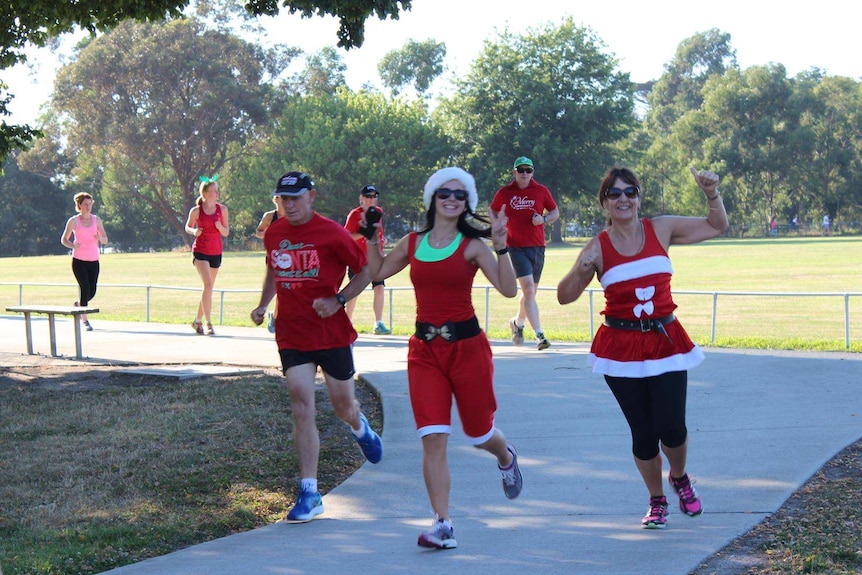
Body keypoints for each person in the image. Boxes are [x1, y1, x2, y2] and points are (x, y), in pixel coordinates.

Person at [557, 166, 729, 530]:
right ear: (604, 203)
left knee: (673, 427)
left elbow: (716, 225)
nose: (623, 199)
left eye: (630, 191)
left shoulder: (661, 228)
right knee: (644, 433)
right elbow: (564, 296)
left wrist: (711, 194)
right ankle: (656, 500)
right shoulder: (597, 247)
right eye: (614, 194)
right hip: (620, 350)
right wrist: (580, 270)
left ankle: (679, 477)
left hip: (666, 342)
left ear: (639, 197)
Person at [364, 166, 523, 550]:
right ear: (432, 199)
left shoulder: (473, 246)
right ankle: (442, 523)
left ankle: (505, 455)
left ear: (466, 202)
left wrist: (501, 245)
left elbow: (506, 289)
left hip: (467, 349)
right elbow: (378, 271)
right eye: (444, 193)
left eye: (459, 195)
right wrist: (371, 239)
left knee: (480, 433)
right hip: (424, 352)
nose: (451, 199)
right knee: (433, 438)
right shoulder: (414, 242)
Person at [249, 171, 383, 523]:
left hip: (331, 335)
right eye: (283, 199)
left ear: (311, 196)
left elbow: (366, 271)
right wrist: (263, 304)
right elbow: (274, 272)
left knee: (342, 406)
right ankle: (310, 491)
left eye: (295, 198)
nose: (288, 205)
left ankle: (359, 426)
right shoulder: (275, 232)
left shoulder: (333, 234)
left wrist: (339, 300)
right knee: (301, 404)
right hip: (292, 334)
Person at [490, 156, 559, 350]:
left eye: (528, 170)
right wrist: (498, 223)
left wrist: (543, 219)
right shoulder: (505, 192)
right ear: (514, 172)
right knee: (528, 290)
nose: (525, 173)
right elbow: (493, 210)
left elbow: (555, 212)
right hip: (516, 247)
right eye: (521, 170)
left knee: (531, 293)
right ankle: (539, 335)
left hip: (538, 247)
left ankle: (518, 323)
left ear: (533, 172)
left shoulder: (541, 190)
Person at [185, 175, 229, 336]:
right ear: (205, 193)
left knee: (208, 289)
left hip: (216, 251)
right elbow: (188, 227)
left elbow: (226, 232)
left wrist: (219, 226)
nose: (217, 194)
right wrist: (194, 231)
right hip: (201, 251)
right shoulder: (196, 211)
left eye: (217, 191)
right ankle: (209, 323)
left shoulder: (222, 210)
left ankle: (197, 320)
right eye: (214, 191)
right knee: (208, 285)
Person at [344, 184, 391, 335]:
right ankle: (347, 322)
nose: (372, 199)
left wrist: (381, 239)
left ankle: (378, 323)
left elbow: (378, 233)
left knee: (379, 289)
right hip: (357, 259)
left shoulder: (378, 213)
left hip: (375, 259)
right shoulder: (354, 214)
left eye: (374, 196)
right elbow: (346, 237)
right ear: (361, 198)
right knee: (354, 291)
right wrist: (364, 233)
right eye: (368, 196)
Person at [60, 192, 108, 331]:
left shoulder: (96, 220)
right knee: (84, 287)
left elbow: (105, 239)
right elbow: (64, 239)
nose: (88, 206)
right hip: (79, 260)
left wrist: (99, 237)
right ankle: (85, 321)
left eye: (90, 204)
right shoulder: (74, 221)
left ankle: (79, 304)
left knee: (92, 291)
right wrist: (73, 245)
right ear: (79, 205)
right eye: (85, 204)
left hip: (94, 260)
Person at [255, 195, 287, 333]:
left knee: (283, 289)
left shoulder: (291, 214)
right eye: (281, 198)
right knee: (277, 286)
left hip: (288, 256)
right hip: (273, 256)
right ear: (275, 200)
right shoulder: (269, 216)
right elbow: (258, 231)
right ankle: (275, 316)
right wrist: (268, 235)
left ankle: (276, 316)